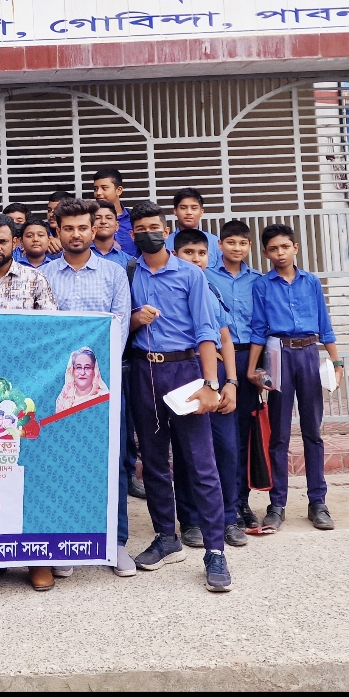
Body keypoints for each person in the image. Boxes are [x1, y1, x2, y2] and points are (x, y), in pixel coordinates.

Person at [125, 205, 232, 591]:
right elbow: (120, 324)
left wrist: (212, 384)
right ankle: (166, 538)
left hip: (185, 371)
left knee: (201, 463)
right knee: (154, 462)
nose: (148, 234)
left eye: (154, 227)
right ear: (132, 234)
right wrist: (136, 319)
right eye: (140, 229)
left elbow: (206, 331)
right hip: (144, 371)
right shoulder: (129, 272)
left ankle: (215, 551)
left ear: (166, 230)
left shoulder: (189, 274)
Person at [41, 200, 134, 584]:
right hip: (60, 388)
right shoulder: (43, 275)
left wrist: (98, 375)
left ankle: (117, 541)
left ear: (93, 231)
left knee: (113, 461)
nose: (76, 234)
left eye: (83, 227)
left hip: (106, 384)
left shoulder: (114, 273)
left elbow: (120, 327)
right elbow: (44, 333)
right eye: (69, 228)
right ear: (58, 232)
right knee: (61, 461)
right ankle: (65, 542)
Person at [248, 226, 343, 533]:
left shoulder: (311, 281)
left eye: (285, 247)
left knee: (312, 431)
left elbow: (325, 325)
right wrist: (253, 368)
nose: (280, 253)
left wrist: (337, 362)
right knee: (279, 434)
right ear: (265, 253)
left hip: (309, 354)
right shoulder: (262, 285)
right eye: (273, 248)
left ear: (295, 248)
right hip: (278, 355)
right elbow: (258, 329)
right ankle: (277, 505)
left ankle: (318, 503)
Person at [171, 227, 247, 552]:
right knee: (187, 452)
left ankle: (228, 518)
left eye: (201, 253)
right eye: (188, 253)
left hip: (217, 380)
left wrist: (231, 383)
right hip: (185, 378)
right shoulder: (170, 289)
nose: (196, 259)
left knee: (226, 450)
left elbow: (225, 340)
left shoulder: (212, 290)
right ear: (175, 256)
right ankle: (190, 520)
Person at [208, 220, 260, 528]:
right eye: (230, 242)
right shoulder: (205, 276)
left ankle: (241, 502)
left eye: (242, 243)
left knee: (243, 436)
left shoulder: (258, 281)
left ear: (249, 246)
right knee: (220, 438)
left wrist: (260, 367)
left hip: (249, 360)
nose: (236, 248)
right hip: (217, 360)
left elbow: (264, 325)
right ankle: (220, 504)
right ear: (220, 245)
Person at [166, 189, 221, 267]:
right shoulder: (165, 243)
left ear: (201, 212)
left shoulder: (214, 242)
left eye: (194, 208)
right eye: (183, 208)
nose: (189, 212)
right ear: (175, 211)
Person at [92, 168, 136, 256]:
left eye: (104, 188)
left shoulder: (134, 218)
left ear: (118, 190)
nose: (98, 193)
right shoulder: (89, 219)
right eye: (96, 189)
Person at [92, 201, 135, 278]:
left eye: (108, 218)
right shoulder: (80, 256)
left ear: (117, 225)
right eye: (97, 218)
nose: (103, 221)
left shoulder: (129, 262)